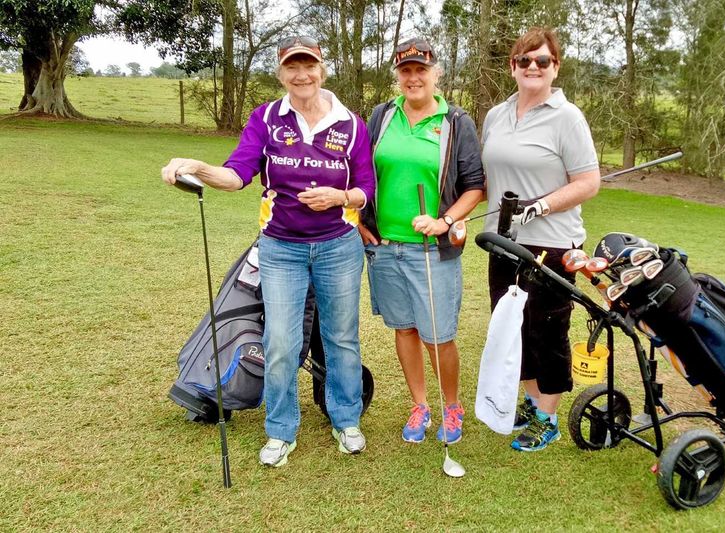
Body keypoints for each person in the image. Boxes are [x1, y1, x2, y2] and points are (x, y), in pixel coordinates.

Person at [161, 36, 376, 467]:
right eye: (292, 68)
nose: (302, 75)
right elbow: (238, 174)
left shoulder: (351, 123)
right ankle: (280, 430)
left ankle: (346, 419)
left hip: (338, 247)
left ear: (322, 69)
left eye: (309, 65)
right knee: (280, 340)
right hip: (280, 249)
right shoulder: (266, 119)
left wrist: (340, 197)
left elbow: (367, 189)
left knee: (341, 339)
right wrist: (198, 168)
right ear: (281, 74)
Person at [481, 27, 601, 452]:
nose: (533, 67)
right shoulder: (497, 114)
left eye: (542, 61)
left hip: (551, 243)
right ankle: (532, 404)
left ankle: (547, 416)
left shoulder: (567, 117)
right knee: (512, 327)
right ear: (513, 66)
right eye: (525, 61)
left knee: (546, 328)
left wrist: (542, 205)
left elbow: (588, 181)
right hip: (504, 241)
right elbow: (488, 177)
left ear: (555, 67)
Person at [359, 37, 484, 444]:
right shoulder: (380, 117)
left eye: (421, 70)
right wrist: (362, 223)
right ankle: (420, 405)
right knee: (405, 329)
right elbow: (358, 173)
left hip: (431, 249)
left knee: (438, 334)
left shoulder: (455, 122)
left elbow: (475, 187)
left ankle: (452, 406)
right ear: (397, 76)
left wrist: (445, 219)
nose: (414, 78)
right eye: (406, 71)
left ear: (436, 74)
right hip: (384, 247)